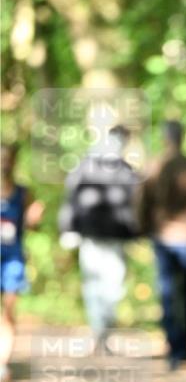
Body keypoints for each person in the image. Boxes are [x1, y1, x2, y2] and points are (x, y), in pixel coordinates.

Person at [137, 121, 186, 368]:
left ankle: (174, 346)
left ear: (164, 138)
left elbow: (141, 201)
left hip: (164, 237)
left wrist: (143, 227)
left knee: (168, 292)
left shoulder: (153, 166)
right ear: (181, 138)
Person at [58, 124, 140, 352]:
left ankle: (103, 331)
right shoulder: (86, 165)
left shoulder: (126, 170)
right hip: (91, 236)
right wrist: (68, 228)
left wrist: (135, 233)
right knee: (94, 285)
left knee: (114, 286)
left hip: (115, 238)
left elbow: (135, 205)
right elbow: (71, 197)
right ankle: (99, 333)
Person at [1, 142, 44, 382]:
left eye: (7, 158)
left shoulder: (23, 192)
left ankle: (2, 364)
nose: (3, 163)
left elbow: (30, 227)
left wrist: (33, 219)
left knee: (9, 310)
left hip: (12, 259)